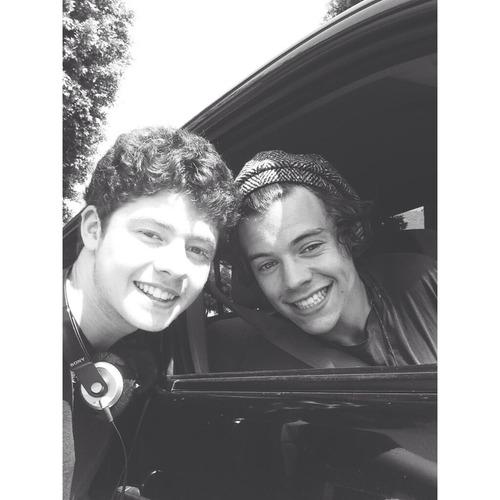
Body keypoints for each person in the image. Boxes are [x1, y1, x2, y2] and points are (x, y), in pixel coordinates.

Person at [63, 126, 239, 500]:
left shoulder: (141, 354)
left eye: (198, 250)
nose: (176, 267)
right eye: (151, 234)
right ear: (93, 229)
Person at [229, 149, 436, 368]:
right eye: (267, 264)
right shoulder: (263, 363)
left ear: (351, 234)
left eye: (310, 247)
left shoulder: (424, 282)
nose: (293, 280)